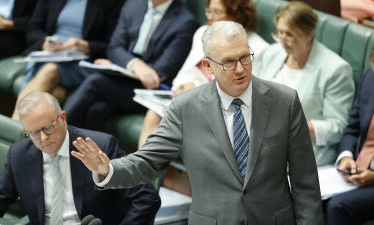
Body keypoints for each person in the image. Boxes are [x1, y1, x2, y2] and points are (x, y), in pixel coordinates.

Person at [71, 21, 324, 225]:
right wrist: (107, 170)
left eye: (245, 57)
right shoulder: (185, 109)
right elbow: (148, 161)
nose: (240, 69)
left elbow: (305, 183)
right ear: (208, 66)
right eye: (228, 61)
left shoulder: (285, 101)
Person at [0, 91, 160, 225]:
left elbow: (146, 198)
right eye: (34, 133)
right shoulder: (19, 155)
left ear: (63, 118)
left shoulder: (100, 146)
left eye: (48, 128)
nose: (43, 139)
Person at [137, 0, 269, 148]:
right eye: (208, 11)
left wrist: (195, 94)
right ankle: (146, 170)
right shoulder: (203, 33)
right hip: (189, 100)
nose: (210, 17)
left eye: (217, 12)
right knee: (153, 114)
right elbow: (182, 75)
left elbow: (240, 94)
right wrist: (186, 86)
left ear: (237, 15)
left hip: (220, 111)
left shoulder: (257, 49)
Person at [63, 0, 199, 131]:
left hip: (152, 91)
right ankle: (99, 154)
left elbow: (160, 72)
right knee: (96, 110)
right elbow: (114, 47)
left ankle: (56, 132)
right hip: (124, 81)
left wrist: (126, 65)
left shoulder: (185, 22)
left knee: (96, 82)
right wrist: (134, 64)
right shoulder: (133, 4)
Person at [254, 1, 355, 166]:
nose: (283, 40)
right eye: (279, 32)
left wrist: (294, 127)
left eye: (290, 34)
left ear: (309, 34)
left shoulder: (335, 70)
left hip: (302, 153)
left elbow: (337, 128)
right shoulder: (273, 53)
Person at [10, 0, 124, 120]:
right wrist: (44, 43)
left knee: (51, 70)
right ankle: (20, 132)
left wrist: (85, 45)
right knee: (55, 93)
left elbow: (112, 45)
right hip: (48, 55)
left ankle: (12, 130)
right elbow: (33, 27)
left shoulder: (111, 3)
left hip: (83, 62)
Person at [326, 47, 374, 225]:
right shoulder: (370, 78)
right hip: (357, 171)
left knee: (338, 207)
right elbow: (353, 127)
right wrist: (346, 156)